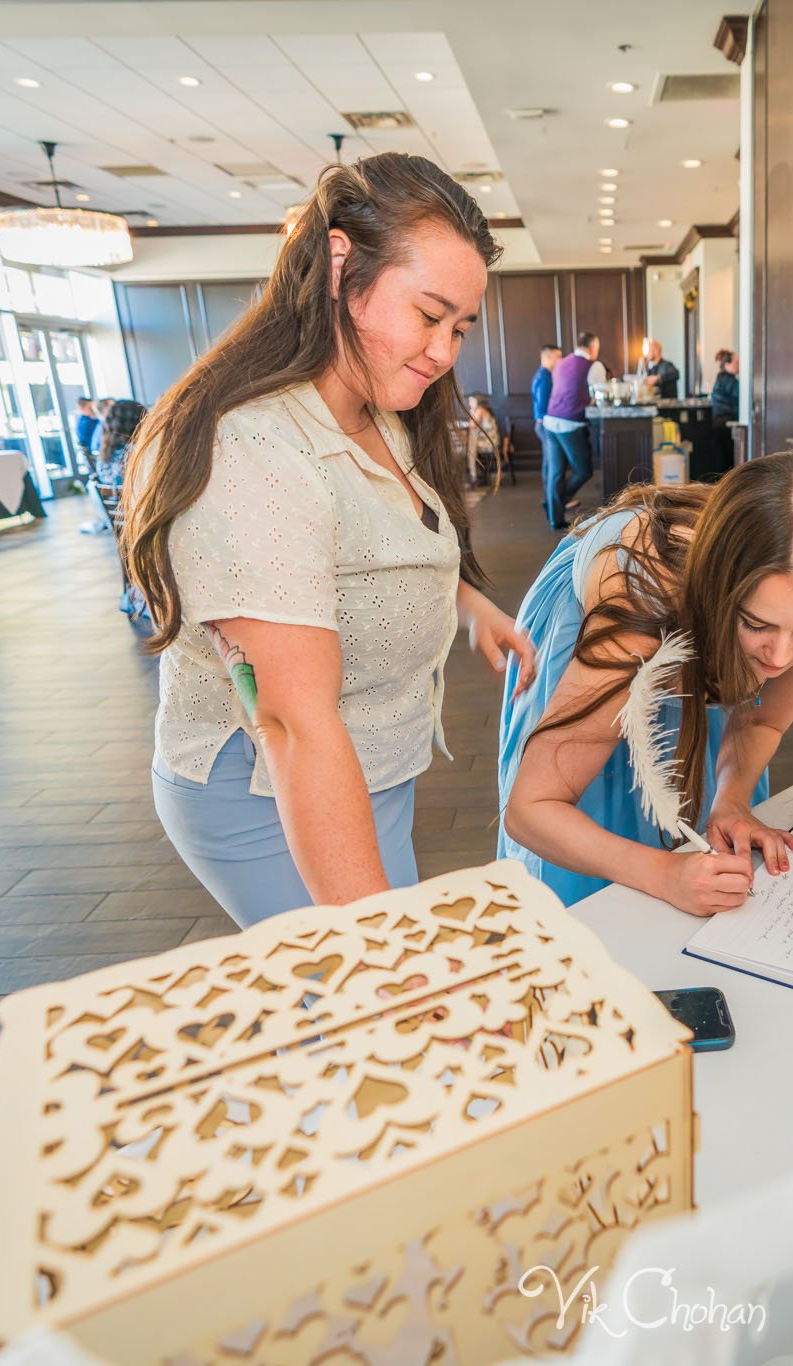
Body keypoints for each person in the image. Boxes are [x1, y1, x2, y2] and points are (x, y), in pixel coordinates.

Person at [122, 151, 537, 927]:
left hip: (373, 766)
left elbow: (371, 540)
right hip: (266, 787)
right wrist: (376, 944)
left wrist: (469, 604)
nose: (445, 351)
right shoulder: (251, 450)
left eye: (461, 326)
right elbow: (287, 720)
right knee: (355, 1006)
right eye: (428, 314)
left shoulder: (380, 412)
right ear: (343, 264)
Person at [498, 448, 793, 913]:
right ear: (720, 593)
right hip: (622, 613)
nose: (780, 658)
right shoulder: (641, 601)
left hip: (692, 635)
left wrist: (730, 800)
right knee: (595, 843)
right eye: (756, 623)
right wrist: (662, 873)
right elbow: (532, 809)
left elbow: (760, 723)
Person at [541, 333, 598, 530]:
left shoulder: (561, 363)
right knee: (583, 470)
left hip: (550, 421)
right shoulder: (593, 365)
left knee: (556, 473)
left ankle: (554, 516)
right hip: (569, 424)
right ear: (592, 348)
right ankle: (555, 502)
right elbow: (598, 392)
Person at [465, 392, 502, 484]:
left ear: (478, 402)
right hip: (492, 441)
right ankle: (474, 472)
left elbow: (472, 425)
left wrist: (471, 412)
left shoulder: (480, 410)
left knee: (471, 442)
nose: (469, 404)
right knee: (471, 440)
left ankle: (473, 473)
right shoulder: (484, 410)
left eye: (471, 401)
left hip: (489, 443)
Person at [530, 343, 559, 437]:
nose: (560, 360)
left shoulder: (544, 374)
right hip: (544, 423)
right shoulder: (544, 377)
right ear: (548, 357)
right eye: (558, 356)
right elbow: (542, 402)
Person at [710, 349, 740, 421]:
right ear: (726, 365)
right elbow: (740, 399)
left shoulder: (721, 378)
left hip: (719, 419)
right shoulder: (729, 381)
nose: (739, 365)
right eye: (736, 363)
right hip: (727, 419)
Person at [74, 397, 100, 461]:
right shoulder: (89, 423)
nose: (94, 410)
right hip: (97, 455)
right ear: (82, 409)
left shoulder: (82, 421)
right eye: (91, 408)